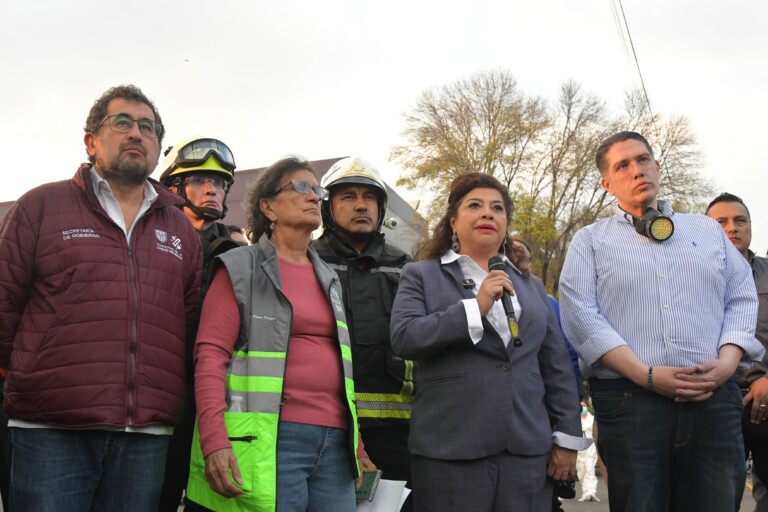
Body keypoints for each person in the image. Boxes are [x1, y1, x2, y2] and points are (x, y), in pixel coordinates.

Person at [0, 84, 202, 512]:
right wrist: (25, 379)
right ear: (91, 140)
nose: (136, 134)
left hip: (147, 435)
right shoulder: (40, 206)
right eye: (122, 123)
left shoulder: (181, 230)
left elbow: (186, 321)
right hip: (50, 429)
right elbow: (3, 303)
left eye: (148, 127)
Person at [559, 131, 763, 512]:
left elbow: (741, 296)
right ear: (607, 183)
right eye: (623, 165)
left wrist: (728, 364)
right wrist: (645, 374)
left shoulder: (705, 231)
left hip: (715, 401)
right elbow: (581, 315)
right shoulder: (590, 242)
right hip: (631, 403)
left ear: (657, 165)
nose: (636, 170)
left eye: (642, 160)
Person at [390, 172, 588, 511]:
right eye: (475, 206)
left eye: (497, 208)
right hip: (450, 450)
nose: (487, 214)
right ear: (453, 220)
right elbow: (405, 337)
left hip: (527, 453)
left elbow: (556, 369)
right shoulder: (421, 275)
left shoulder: (532, 287)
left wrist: (567, 440)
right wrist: (476, 306)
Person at [186, 156, 373, 511]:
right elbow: (210, 356)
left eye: (316, 190)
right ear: (267, 206)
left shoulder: (330, 278)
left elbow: (342, 373)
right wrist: (214, 439)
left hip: (335, 445)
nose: (313, 196)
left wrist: (358, 447)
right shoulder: (240, 266)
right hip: (271, 439)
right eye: (300, 187)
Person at [311, 157, 414, 506]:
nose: (360, 205)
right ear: (328, 207)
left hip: (399, 432)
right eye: (348, 197)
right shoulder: (308, 262)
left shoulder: (405, 267)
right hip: (327, 425)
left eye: (369, 198)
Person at [156, 137, 244, 511]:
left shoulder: (242, 256)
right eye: (199, 181)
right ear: (174, 188)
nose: (211, 189)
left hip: (214, 404)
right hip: (158, 401)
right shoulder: (152, 240)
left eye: (220, 183)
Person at [706, 192, 768, 512]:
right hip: (715, 401)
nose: (732, 228)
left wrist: (766, 379)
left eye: (740, 220)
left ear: (751, 226)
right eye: (721, 222)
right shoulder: (693, 277)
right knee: (717, 495)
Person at [576, 401, 599, 502]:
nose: (583, 408)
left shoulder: (592, 418)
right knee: (581, 469)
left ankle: (591, 492)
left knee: (589, 468)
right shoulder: (576, 420)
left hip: (590, 446)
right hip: (579, 447)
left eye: (584, 406)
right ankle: (585, 491)